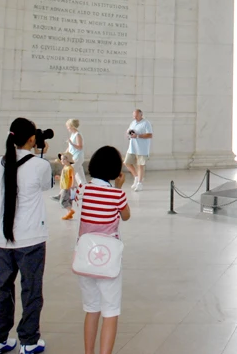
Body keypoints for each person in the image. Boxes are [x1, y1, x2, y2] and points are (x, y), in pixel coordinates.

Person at [0, 118, 53, 354]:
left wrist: (4, 202)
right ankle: (29, 341)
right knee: (31, 290)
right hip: (31, 238)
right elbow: (46, 186)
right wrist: (41, 155)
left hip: (2, 239)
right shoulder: (39, 165)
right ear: (32, 139)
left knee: (0, 290)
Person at [75, 145, 131, 354]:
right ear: (116, 171)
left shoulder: (83, 189)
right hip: (108, 260)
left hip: (85, 258)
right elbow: (125, 216)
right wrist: (118, 188)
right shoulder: (117, 195)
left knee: (91, 309)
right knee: (110, 310)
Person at [124, 109, 152, 191]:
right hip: (132, 148)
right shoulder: (133, 123)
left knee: (140, 166)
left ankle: (140, 183)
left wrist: (138, 136)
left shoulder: (146, 123)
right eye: (133, 116)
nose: (134, 117)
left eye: (136, 116)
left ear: (141, 115)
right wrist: (129, 134)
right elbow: (129, 131)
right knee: (127, 162)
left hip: (142, 149)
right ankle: (136, 177)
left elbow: (150, 134)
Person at [66, 118, 86, 186]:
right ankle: (84, 189)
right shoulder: (73, 134)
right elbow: (70, 147)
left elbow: (80, 147)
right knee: (80, 177)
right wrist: (64, 153)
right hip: (73, 157)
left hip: (77, 157)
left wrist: (71, 143)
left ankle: (64, 193)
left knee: (70, 174)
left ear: (72, 126)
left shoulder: (78, 135)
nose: (67, 128)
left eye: (68, 126)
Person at [58, 152, 76, 220]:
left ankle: (70, 211)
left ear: (68, 160)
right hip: (64, 186)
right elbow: (65, 177)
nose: (62, 161)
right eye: (61, 159)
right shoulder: (65, 167)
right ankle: (69, 213)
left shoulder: (70, 168)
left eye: (63, 159)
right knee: (68, 200)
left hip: (67, 187)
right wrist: (59, 178)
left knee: (63, 201)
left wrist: (73, 185)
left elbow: (73, 177)